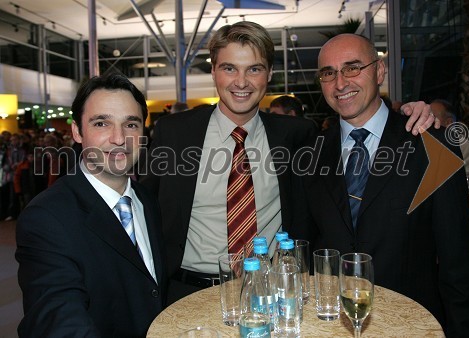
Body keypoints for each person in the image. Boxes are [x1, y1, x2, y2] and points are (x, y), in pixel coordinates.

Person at [142, 21, 436, 305]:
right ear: (214, 72)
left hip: (271, 293)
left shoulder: (296, 136)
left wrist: (411, 112)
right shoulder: (174, 133)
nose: (241, 82)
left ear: (269, 73)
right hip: (187, 293)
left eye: (254, 69)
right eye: (229, 68)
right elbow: (144, 205)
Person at [294, 34, 469, 337]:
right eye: (329, 73)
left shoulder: (431, 144)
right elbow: (302, 248)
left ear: (380, 71)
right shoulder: (310, 153)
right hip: (330, 325)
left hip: (413, 324)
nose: (340, 83)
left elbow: (459, 261)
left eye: (353, 67)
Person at [16, 74, 168, 337]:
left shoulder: (147, 200)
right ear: (77, 131)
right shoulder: (46, 218)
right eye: (101, 123)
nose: (119, 138)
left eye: (131, 124)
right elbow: (57, 320)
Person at [430, 98, 469, 192]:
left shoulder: (465, 148)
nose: (427, 121)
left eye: (432, 117)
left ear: (449, 123)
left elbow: (466, 188)